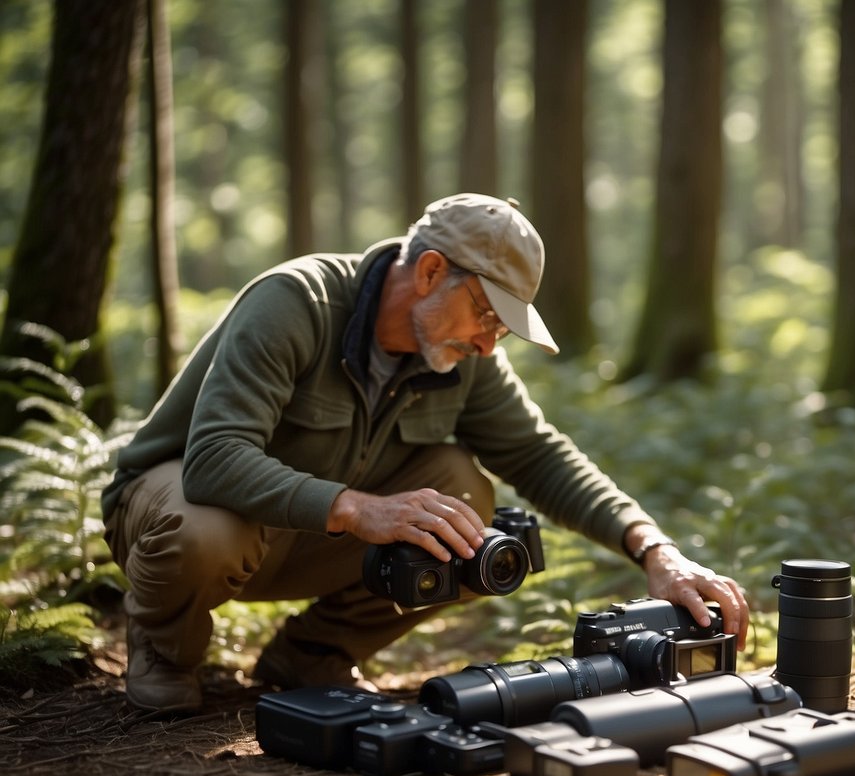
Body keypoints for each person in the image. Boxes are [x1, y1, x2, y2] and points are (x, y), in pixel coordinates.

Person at [102, 193, 750, 712]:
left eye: (502, 326)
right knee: (204, 527)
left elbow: (536, 454)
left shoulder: (460, 357)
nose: (490, 345)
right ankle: (165, 647)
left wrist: (654, 550)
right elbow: (214, 458)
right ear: (432, 271)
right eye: (487, 317)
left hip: (306, 538)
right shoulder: (295, 304)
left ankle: (311, 655)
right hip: (182, 515)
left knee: (462, 492)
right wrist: (358, 511)